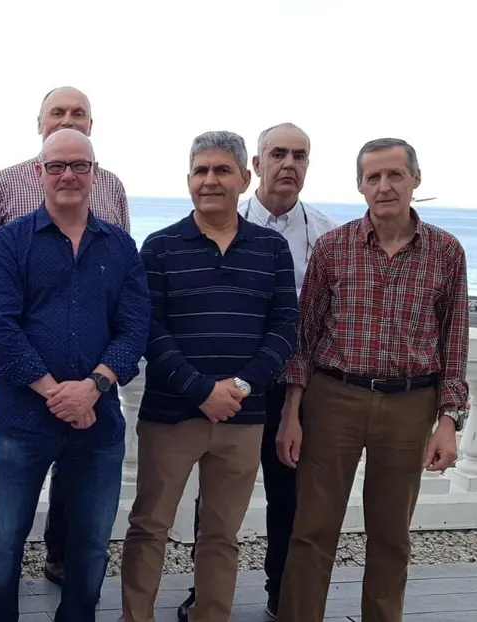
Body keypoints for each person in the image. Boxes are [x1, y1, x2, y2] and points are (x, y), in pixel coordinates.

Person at [276, 138, 466, 622]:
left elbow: (455, 341)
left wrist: (449, 421)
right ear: (360, 185)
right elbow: (304, 336)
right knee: (312, 530)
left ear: (415, 180)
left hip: (409, 406)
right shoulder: (333, 247)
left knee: (391, 536)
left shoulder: (446, 252)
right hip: (333, 400)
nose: (384, 186)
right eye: (373, 177)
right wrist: (291, 413)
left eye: (395, 175)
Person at [119, 131, 298, 622]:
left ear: (245, 177)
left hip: (244, 417)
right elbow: (148, 329)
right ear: (189, 180)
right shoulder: (160, 247)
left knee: (222, 534)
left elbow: (285, 327)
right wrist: (200, 389)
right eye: (201, 171)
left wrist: (239, 386)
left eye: (222, 170)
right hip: (170, 416)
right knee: (149, 527)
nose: (210, 180)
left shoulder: (271, 249)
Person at [0, 129, 149, 622]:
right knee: (4, 539)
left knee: (91, 544)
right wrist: (57, 394)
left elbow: (135, 328)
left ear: (95, 172)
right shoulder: (11, 242)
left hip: (98, 422)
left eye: (79, 165)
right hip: (23, 421)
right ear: (40, 172)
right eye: (56, 166)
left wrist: (93, 387)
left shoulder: (119, 246)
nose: (68, 175)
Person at [176, 122, 339, 622]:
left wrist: (295, 398)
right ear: (256, 166)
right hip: (229, 388)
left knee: (289, 495)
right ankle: (203, 592)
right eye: (278, 154)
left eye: (299, 155)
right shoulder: (225, 218)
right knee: (215, 498)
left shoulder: (327, 234)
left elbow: (318, 321)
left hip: (292, 387)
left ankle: (280, 591)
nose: (289, 164)